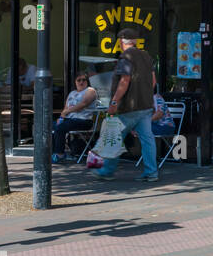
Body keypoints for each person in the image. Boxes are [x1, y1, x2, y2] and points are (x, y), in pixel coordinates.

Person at [96, 27, 159, 183]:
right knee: (147, 140)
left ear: (121, 42)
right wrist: (144, 95)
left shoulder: (126, 57)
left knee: (115, 138)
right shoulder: (146, 56)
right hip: (145, 106)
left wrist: (114, 102)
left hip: (129, 107)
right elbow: (153, 81)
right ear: (135, 42)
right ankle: (152, 172)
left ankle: (107, 171)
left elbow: (124, 81)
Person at [51, 72, 98, 162]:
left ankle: (59, 154)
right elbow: (65, 109)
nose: (81, 82)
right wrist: (61, 118)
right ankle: (54, 152)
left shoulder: (90, 90)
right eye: (78, 80)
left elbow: (83, 104)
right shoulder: (72, 93)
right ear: (75, 82)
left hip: (84, 120)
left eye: (83, 80)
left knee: (60, 127)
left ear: (87, 81)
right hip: (70, 120)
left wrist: (68, 111)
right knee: (51, 126)